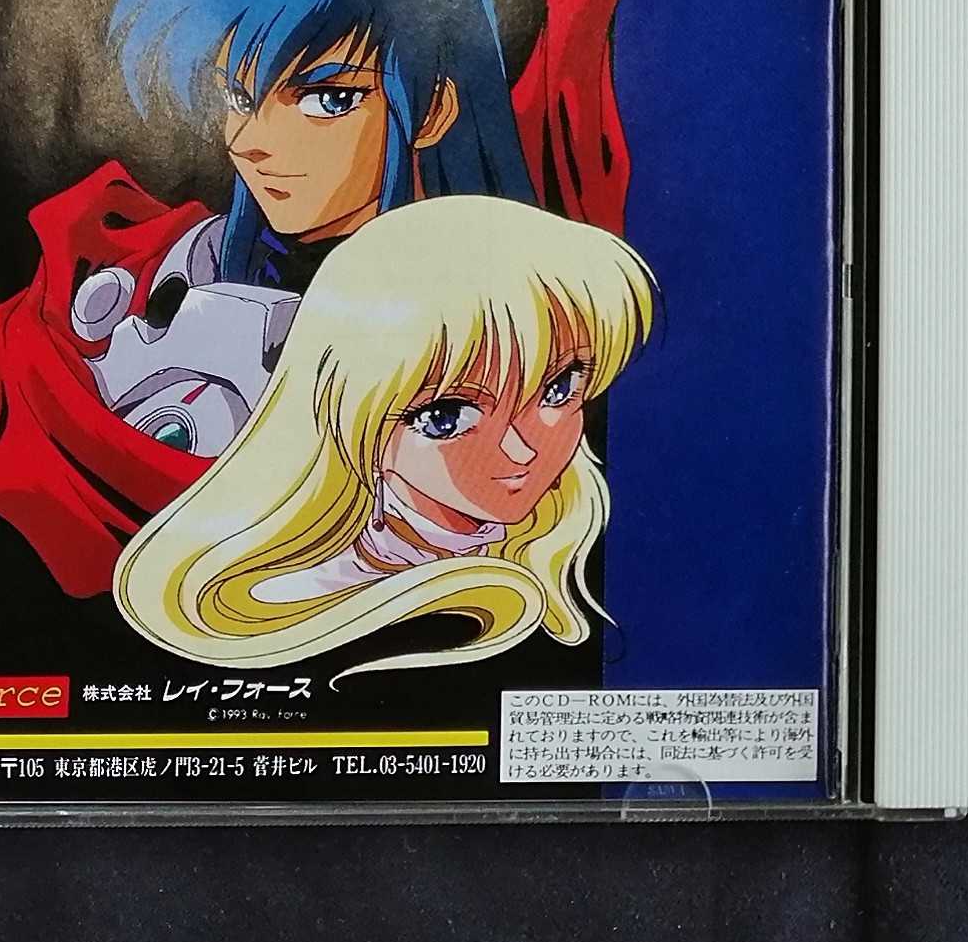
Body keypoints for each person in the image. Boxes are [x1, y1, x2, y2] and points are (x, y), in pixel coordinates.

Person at [0, 0, 632, 595]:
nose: (251, 142)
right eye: (238, 95)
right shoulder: (170, 268)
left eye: (328, 99)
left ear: (434, 108)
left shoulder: (520, 294)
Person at [113, 194, 658, 673]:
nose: (522, 448)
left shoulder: (569, 530)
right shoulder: (307, 590)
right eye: (447, 417)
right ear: (353, 413)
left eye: (558, 388)